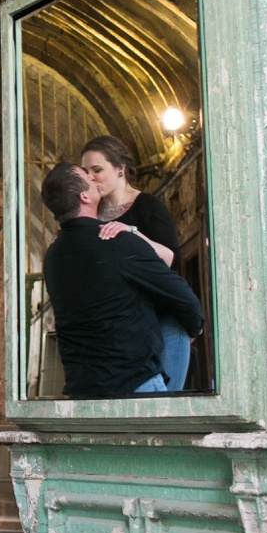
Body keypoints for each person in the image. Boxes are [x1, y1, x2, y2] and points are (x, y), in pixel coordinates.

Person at [40, 162, 202, 399]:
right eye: (87, 176)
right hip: (134, 386)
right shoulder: (116, 241)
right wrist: (194, 326)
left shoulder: (52, 257)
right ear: (84, 196)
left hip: (82, 392)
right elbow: (185, 300)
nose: (93, 179)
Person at [81, 135, 191, 391]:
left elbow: (171, 259)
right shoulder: (91, 215)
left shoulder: (149, 207)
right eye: (86, 172)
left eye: (97, 170)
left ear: (121, 169)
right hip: (121, 331)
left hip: (164, 322)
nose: (91, 178)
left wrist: (131, 233)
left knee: (166, 412)